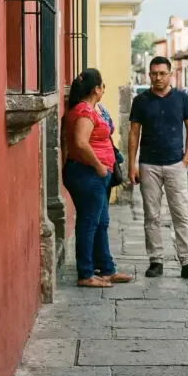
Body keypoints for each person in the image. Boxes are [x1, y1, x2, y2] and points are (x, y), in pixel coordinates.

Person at [127, 56, 188, 281]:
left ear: (170, 74)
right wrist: (132, 165)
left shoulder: (181, 99)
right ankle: (156, 260)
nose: (158, 77)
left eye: (162, 73)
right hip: (148, 164)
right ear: (148, 75)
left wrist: (186, 159)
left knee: (181, 214)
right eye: (154, 73)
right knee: (151, 215)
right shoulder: (141, 101)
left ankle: (187, 262)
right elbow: (133, 134)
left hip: (175, 164)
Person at [62, 69, 132, 288]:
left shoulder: (92, 109)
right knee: (89, 223)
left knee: (101, 222)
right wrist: (99, 166)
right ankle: (86, 274)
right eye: (103, 86)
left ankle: (106, 268)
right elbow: (81, 143)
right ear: (96, 89)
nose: (104, 90)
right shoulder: (84, 111)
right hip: (88, 173)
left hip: (95, 174)